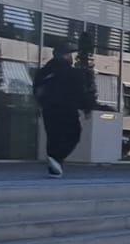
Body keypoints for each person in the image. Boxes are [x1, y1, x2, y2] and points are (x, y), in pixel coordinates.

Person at [33, 47, 97, 178]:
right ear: (65, 56)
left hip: (48, 109)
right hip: (67, 109)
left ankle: (55, 168)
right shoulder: (72, 73)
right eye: (70, 55)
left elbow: (37, 90)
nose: (72, 57)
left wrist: (41, 104)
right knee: (73, 135)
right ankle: (57, 159)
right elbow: (80, 92)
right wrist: (86, 108)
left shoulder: (43, 72)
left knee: (53, 137)